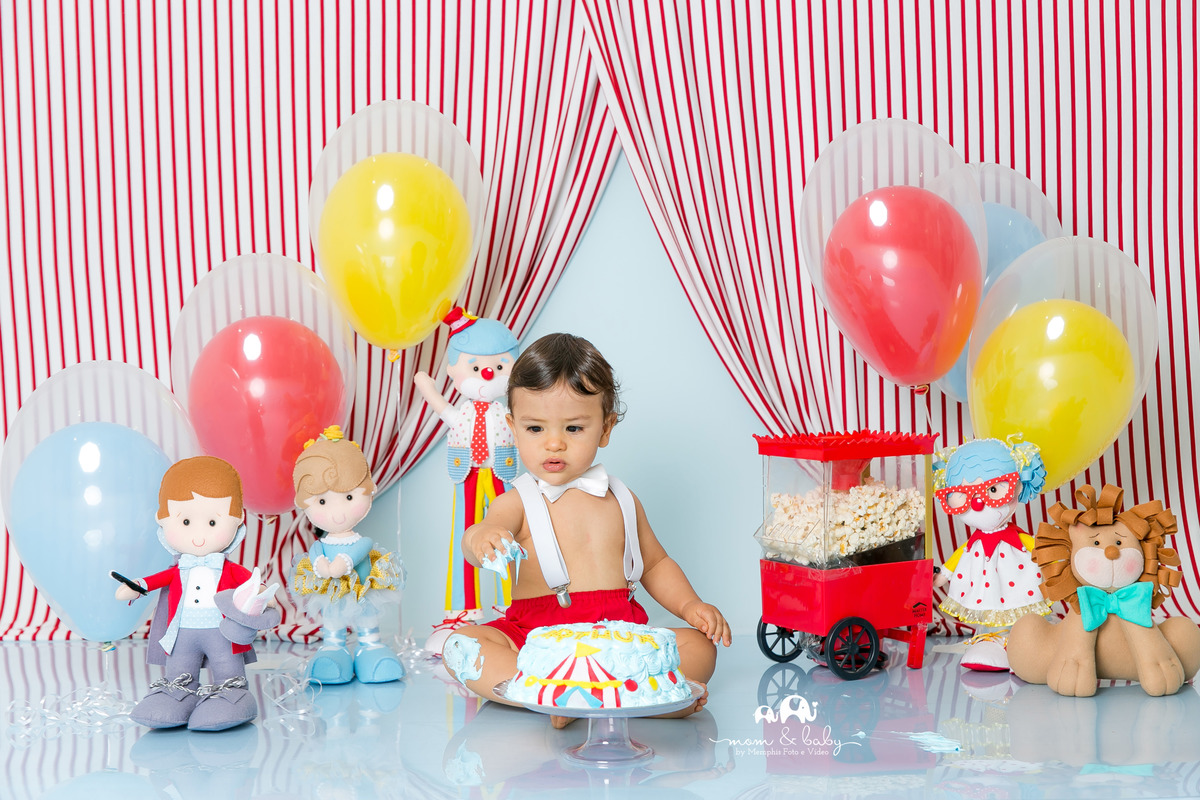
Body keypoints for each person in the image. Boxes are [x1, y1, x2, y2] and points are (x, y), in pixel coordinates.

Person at [440, 333, 730, 722]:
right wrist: (483, 539)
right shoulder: (517, 501)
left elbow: (656, 564)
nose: (554, 443)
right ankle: (554, 693)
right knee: (462, 645)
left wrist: (691, 605)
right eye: (536, 429)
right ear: (512, 427)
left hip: (618, 638)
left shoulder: (622, 499)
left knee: (699, 647)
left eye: (573, 429)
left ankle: (595, 696)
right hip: (536, 634)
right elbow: (478, 536)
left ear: (605, 428)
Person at [114, 456, 280, 731]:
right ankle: (177, 693)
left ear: (237, 520)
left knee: (228, 667)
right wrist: (135, 585)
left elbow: (252, 584)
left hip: (222, 632)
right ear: (162, 520)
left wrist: (262, 593)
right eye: (186, 521)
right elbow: (153, 581)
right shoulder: (179, 568)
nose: (199, 536)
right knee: (179, 669)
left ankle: (232, 694)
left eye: (213, 523)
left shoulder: (228, 568)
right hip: (182, 632)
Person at [413, 307, 522, 653]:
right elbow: (444, 411)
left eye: (499, 367)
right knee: (464, 540)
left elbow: (526, 430)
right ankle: (462, 611)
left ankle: (514, 605)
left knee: (509, 539)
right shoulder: (463, 413)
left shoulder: (509, 413)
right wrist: (428, 389)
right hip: (468, 476)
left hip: (502, 475)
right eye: (476, 367)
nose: (488, 374)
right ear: (455, 370)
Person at [291, 426, 405, 684]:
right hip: (332, 592)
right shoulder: (322, 542)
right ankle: (334, 650)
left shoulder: (361, 541)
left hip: (362, 591)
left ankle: (371, 649)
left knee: (367, 617)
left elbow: (360, 549)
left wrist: (344, 561)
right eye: (322, 502)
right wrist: (320, 564)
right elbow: (315, 551)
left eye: (350, 497)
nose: (338, 512)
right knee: (333, 619)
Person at [932, 437, 1050, 671]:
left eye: (993, 489)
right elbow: (958, 558)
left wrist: (1058, 562)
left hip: (1016, 579)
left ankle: (1021, 640)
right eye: (963, 495)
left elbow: (1040, 549)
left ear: (1017, 486)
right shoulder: (972, 544)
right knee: (988, 605)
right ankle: (991, 639)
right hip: (981, 580)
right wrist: (940, 578)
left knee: (1018, 605)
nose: (977, 504)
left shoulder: (1018, 538)